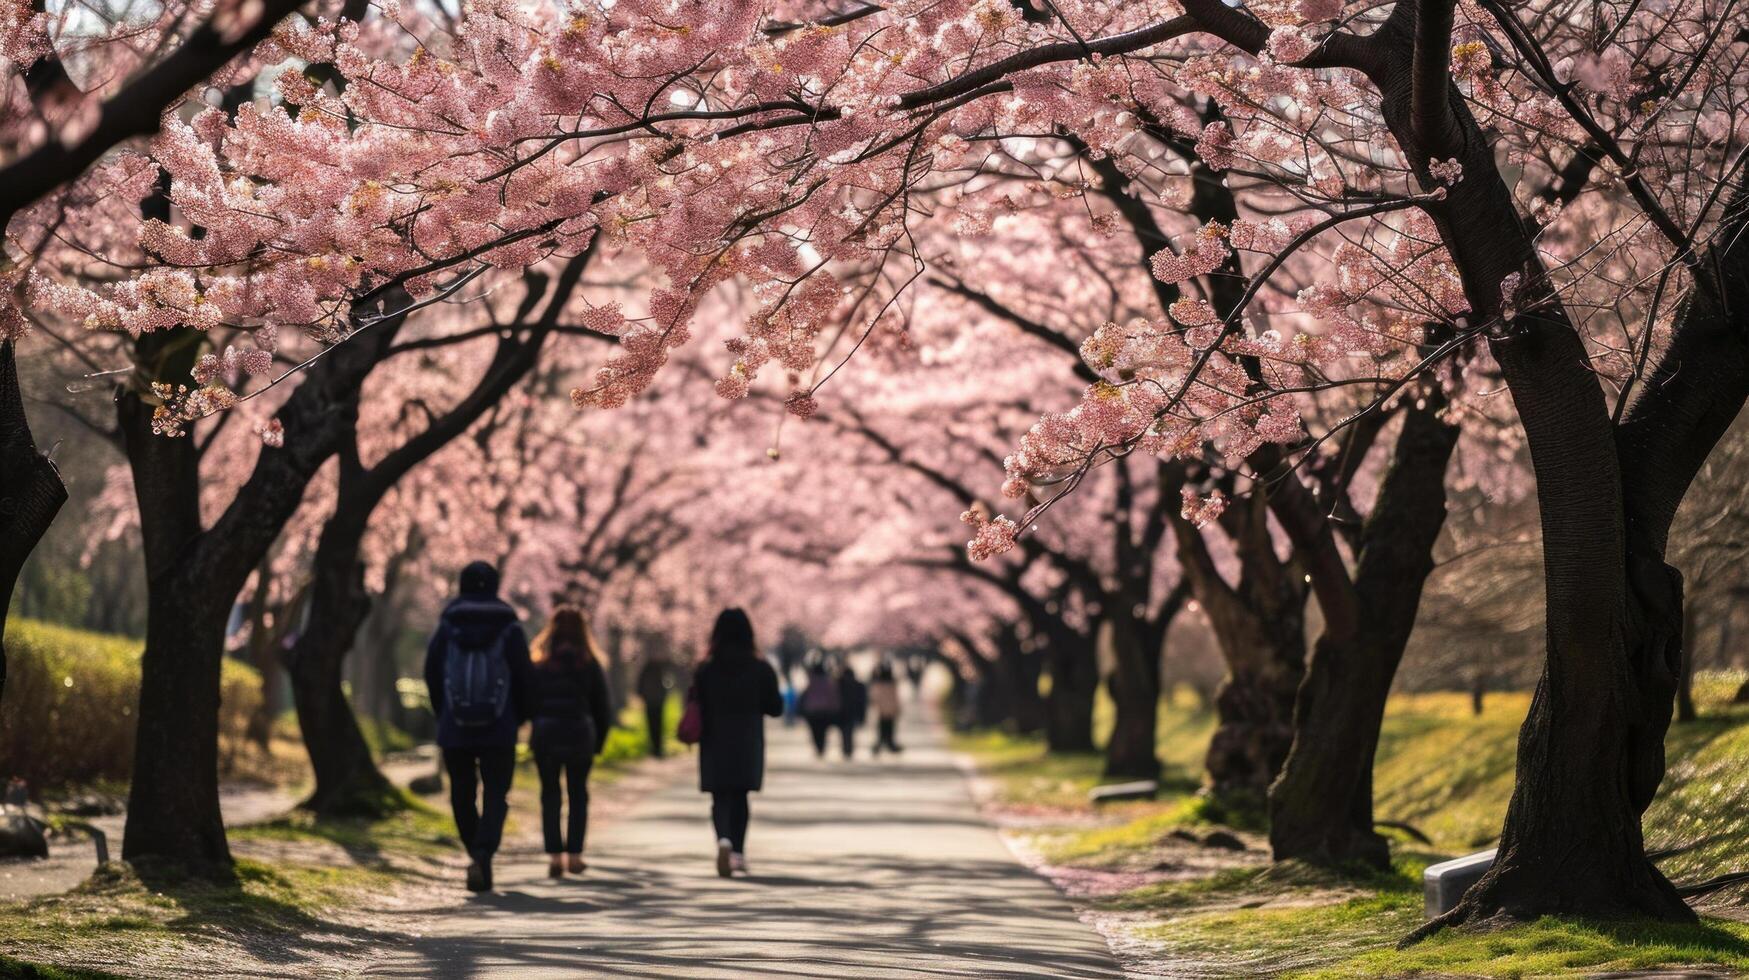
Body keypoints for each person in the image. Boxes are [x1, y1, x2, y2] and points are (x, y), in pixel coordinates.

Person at [424, 560, 531, 893]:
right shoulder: (509, 626)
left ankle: (474, 852)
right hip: (499, 727)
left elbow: (431, 670)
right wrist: (520, 716)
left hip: (455, 726)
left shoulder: (448, 624)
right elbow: (526, 675)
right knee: (496, 792)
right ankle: (484, 854)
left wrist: (444, 712)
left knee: (461, 791)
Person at [694, 608, 782, 877]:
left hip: (714, 737)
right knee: (740, 796)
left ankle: (723, 839)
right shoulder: (760, 667)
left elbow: (696, 702)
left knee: (720, 796)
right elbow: (775, 707)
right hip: (747, 739)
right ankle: (738, 854)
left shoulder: (706, 669)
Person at [528, 605, 613, 878]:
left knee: (550, 794)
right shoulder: (589, 663)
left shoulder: (540, 663)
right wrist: (599, 742)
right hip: (579, 735)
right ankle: (575, 855)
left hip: (546, 736)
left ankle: (554, 856)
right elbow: (602, 708)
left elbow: (528, 703)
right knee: (578, 795)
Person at [798, 661, 840, 758]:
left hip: (812, 711)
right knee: (823, 731)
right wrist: (835, 707)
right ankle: (821, 748)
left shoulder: (811, 681)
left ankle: (818, 747)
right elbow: (833, 696)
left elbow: (805, 695)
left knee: (815, 731)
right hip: (825, 711)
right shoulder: (828, 681)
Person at [636, 653, 672, 758]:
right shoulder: (658, 669)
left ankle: (655, 747)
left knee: (652, 723)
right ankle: (657, 747)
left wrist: (642, 695)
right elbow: (666, 684)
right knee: (658, 723)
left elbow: (640, 684)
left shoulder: (648, 669)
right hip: (656, 700)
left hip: (651, 700)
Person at [835, 663, 869, 760]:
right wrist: (862, 715)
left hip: (842, 713)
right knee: (849, 732)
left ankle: (846, 749)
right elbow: (863, 702)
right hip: (852, 713)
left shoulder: (838, 684)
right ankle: (848, 749)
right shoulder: (859, 686)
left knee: (844, 732)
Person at [869, 662, 903, 756]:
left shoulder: (878, 684)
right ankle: (889, 745)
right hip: (890, 711)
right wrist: (897, 708)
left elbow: (875, 697)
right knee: (890, 729)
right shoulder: (893, 684)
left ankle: (880, 746)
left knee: (881, 729)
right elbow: (895, 698)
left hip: (882, 711)